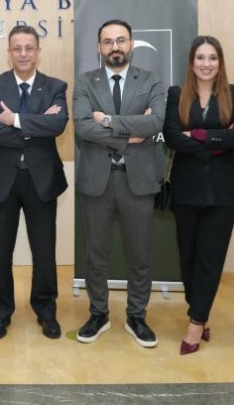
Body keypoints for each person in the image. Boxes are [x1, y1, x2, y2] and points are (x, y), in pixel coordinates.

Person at [73, 19, 165, 348]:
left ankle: (136, 316)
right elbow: (83, 127)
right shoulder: (85, 82)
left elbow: (156, 122)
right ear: (99, 47)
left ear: (131, 44)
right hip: (97, 181)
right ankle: (98, 313)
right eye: (108, 41)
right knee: (95, 254)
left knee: (139, 254)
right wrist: (131, 134)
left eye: (121, 40)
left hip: (137, 181)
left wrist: (109, 121)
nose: (115, 47)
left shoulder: (150, 80)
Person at [0, 25, 68, 340]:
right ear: (9, 52)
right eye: (17, 48)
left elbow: (58, 124)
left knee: (44, 252)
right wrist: (37, 125)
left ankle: (46, 310)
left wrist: (15, 120)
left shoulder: (55, 86)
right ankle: (1, 313)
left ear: (38, 51)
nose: (24, 54)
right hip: (2, 179)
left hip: (42, 179)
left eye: (29, 48)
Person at [162, 36, 234, 354]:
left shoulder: (232, 93)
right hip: (186, 188)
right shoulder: (177, 94)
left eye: (213, 57)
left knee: (210, 258)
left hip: (223, 191)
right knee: (188, 258)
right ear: (192, 61)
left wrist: (197, 134)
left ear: (220, 62)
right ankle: (200, 310)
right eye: (200, 57)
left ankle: (196, 323)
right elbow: (172, 136)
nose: (206, 64)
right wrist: (218, 141)